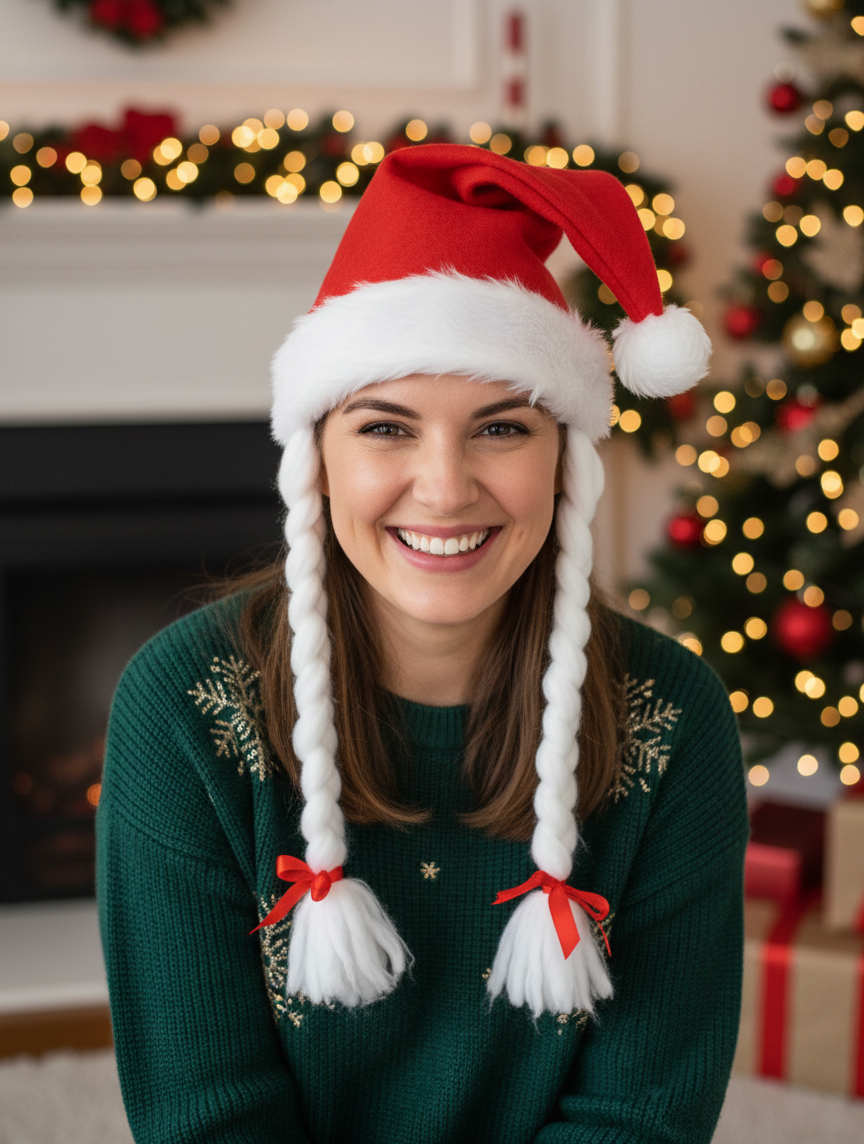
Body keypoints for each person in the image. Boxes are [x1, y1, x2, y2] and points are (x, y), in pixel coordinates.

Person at [97, 144, 748, 1143]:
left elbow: (639, 1116)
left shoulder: (673, 719)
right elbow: (208, 1117)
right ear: (316, 454)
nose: (443, 488)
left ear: (565, 457)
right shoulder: (183, 706)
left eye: (500, 429)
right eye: (386, 428)